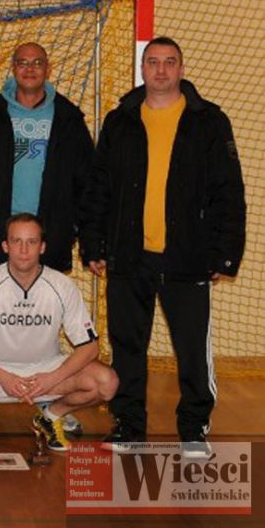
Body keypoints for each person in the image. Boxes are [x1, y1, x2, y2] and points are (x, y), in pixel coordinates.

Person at [79, 37, 246, 458]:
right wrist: (93, 243)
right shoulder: (120, 120)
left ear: (181, 69)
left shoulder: (209, 121)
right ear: (143, 69)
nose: (161, 70)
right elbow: (99, 187)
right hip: (128, 256)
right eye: (153, 62)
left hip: (188, 258)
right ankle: (129, 427)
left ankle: (193, 429)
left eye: (170, 62)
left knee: (191, 350)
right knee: (127, 346)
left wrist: (225, 253)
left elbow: (229, 190)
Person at [0, 42, 94, 436]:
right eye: (23, 63)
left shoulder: (68, 119)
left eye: (37, 63)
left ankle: (53, 405)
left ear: (48, 68)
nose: (30, 69)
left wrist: (76, 231)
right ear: (13, 68)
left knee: (45, 323)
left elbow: (88, 183)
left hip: (51, 240)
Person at [0, 213, 118, 451]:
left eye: (31, 242)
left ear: (42, 247)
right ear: (5, 246)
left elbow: (90, 347)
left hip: (46, 375)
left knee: (107, 383)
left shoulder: (62, 285)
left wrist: (52, 378)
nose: (23, 249)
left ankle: (51, 416)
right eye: (16, 241)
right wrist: (4, 377)